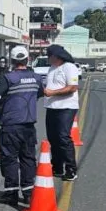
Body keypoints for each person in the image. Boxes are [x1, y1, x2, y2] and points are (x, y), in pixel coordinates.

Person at [0, 46, 43, 205]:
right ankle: (29, 193)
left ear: (12, 61)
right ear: (27, 60)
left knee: (10, 159)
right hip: (29, 125)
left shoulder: (8, 78)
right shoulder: (36, 78)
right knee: (28, 158)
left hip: (11, 125)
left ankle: (11, 193)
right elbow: (40, 93)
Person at [43, 44, 80, 181]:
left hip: (66, 107)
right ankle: (57, 167)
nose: (48, 58)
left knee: (63, 137)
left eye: (49, 56)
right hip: (52, 107)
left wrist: (52, 92)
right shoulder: (52, 68)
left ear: (56, 56)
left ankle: (71, 169)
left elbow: (72, 87)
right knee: (53, 138)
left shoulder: (69, 67)